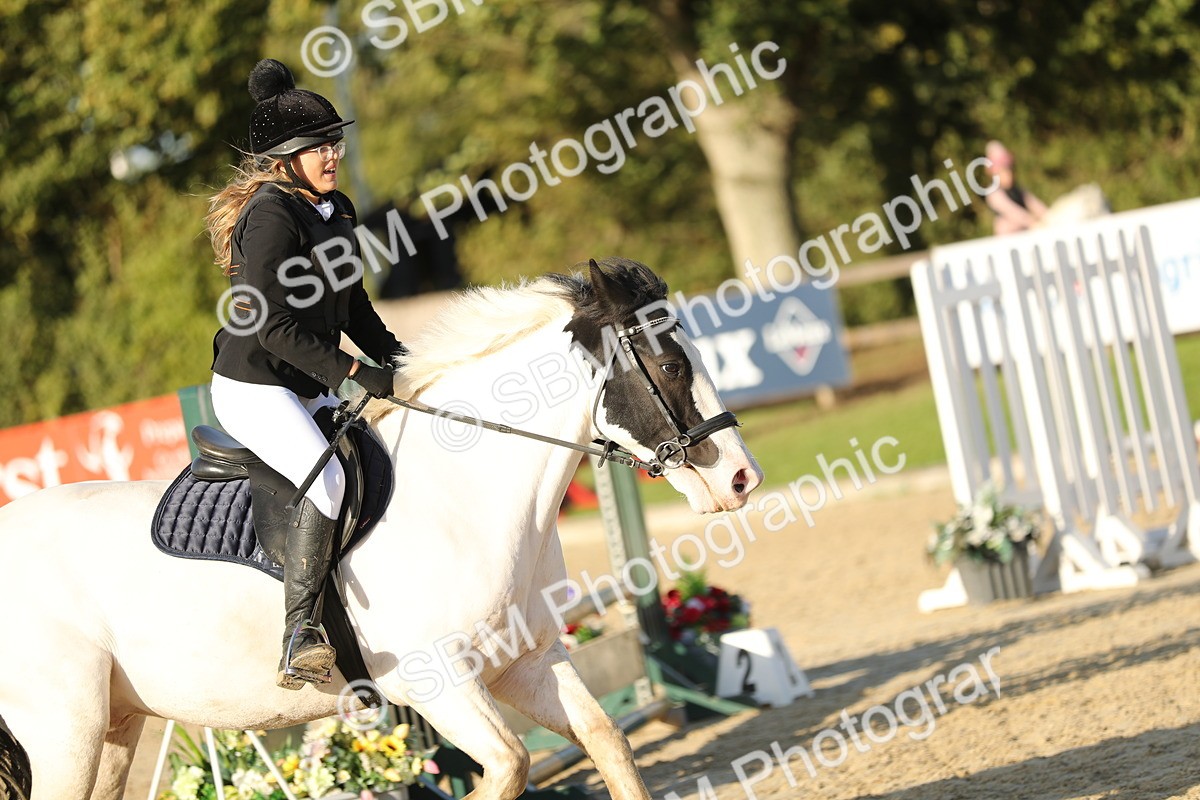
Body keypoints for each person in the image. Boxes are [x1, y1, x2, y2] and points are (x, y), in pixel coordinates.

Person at [205, 59, 406, 690]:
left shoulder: (334, 210)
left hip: (305, 382)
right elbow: (269, 327)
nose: (332, 154)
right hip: (255, 387)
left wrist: (400, 359)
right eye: (318, 147)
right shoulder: (270, 217)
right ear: (285, 159)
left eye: (334, 142)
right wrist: (351, 370)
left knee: (384, 457)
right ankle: (300, 634)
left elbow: (356, 307)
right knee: (326, 486)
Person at [983, 140, 1048, 235]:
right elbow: (1014, 213)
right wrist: (1035, 223)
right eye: (1004, 171)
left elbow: (1035, 205)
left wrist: (1049, 217)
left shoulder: (1017, 190)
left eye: (1010, 169)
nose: (1009, 174)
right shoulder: (994, 194)